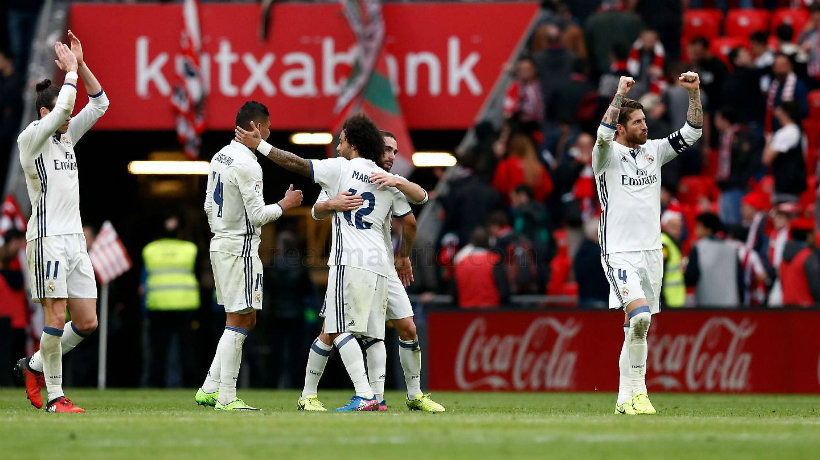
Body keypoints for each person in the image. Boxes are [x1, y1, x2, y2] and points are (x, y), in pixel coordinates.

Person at [234, 114, 407, 412]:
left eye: (340, 140)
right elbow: (414, 209)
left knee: (340, 329)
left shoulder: (340, 168)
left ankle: (365, 395)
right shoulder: (385, 178)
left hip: (348, 262)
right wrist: (328, 205)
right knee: (349, 332)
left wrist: (261, 145)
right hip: (379, 265)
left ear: (352, 144)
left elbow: (297, 163)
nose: (337, 144)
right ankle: (320, 395)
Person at [302, 130, 444, 412]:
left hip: (382, 267)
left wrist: (403, 258)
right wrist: (332, 204)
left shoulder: (390, 183)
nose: (392, 156)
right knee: (332, 331)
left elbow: (416, 212)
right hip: (350, 262)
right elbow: (316, 210)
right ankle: (310, 395)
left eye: (395, 150)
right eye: (388, 150)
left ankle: (406, 395)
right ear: (373, 149)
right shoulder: (344, 173)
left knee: (405, 328)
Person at [592, 71, 703, 415]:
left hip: (651, 253)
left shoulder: (655, 151)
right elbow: (601, 134)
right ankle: (640, 392)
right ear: (621, 128)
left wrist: (694, 93)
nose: (646, 126)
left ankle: (625, 400)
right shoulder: (605, 156)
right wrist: (619, 94)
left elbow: (693, 132)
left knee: (637, 328)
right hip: (619, 252)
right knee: (639, 318)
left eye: (645, 119)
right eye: (638, 121)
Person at [13, 32, 108, 413]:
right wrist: (68, 74)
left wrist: (80, 66)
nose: (68, 120)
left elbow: (100, 103)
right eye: (61, 116)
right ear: (44, 115)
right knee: (55, 315)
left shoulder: (66, 137)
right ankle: (55, 397)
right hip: (47, 238)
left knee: (87, 323)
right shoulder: (32, 138)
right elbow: (67, 104)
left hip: (74, 241)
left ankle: (34, 365)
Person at [195, 101, 303, 411]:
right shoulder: (248, 163)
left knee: (247, 317)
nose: (269, 132)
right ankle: (227, 397)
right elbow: (257, 215)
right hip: (239, 246)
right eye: (267, 126)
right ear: (255, 127)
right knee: (239, 318)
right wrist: (286, 203)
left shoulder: (219, 156)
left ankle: (208, 388)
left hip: (222, 242)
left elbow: (206, 206)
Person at [141, 215, 200, 388]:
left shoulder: (150, 249)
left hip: (158, 305)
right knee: (187, 350)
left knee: (158, 350)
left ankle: (155, 385)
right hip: (185, 305)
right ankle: (189, 385)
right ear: (180, 231)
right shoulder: (191, 249)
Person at [684, 213, 742, 308]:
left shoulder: (699, 248)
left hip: (706, 305)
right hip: (731, 305)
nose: (696, 230)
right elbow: (739, 279)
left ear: (708, 230)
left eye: (699, 226)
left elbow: (691, 277)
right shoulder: (732, 248)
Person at [762, 101, 807, 205]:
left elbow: (766, 159)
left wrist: (768, 143)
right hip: (785, 185)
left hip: (787, 186)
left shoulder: (788, 132)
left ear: (785, 113)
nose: (775, 112)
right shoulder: (793, 131)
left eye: (779, 109)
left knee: (784, 219)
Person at [779, 218, 820, 307]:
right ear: (809, 236)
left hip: (786, 310)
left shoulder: (783, 259)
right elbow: (816, 288)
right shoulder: (808, 257)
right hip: (807, 312)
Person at [660, 211, 685, 308]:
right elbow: (659, 274)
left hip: (675, 301)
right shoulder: (664, 244)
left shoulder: (673, 243)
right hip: (667, 301)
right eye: (674, 226)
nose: (678, 230)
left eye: (680, 227)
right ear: (665, 226)